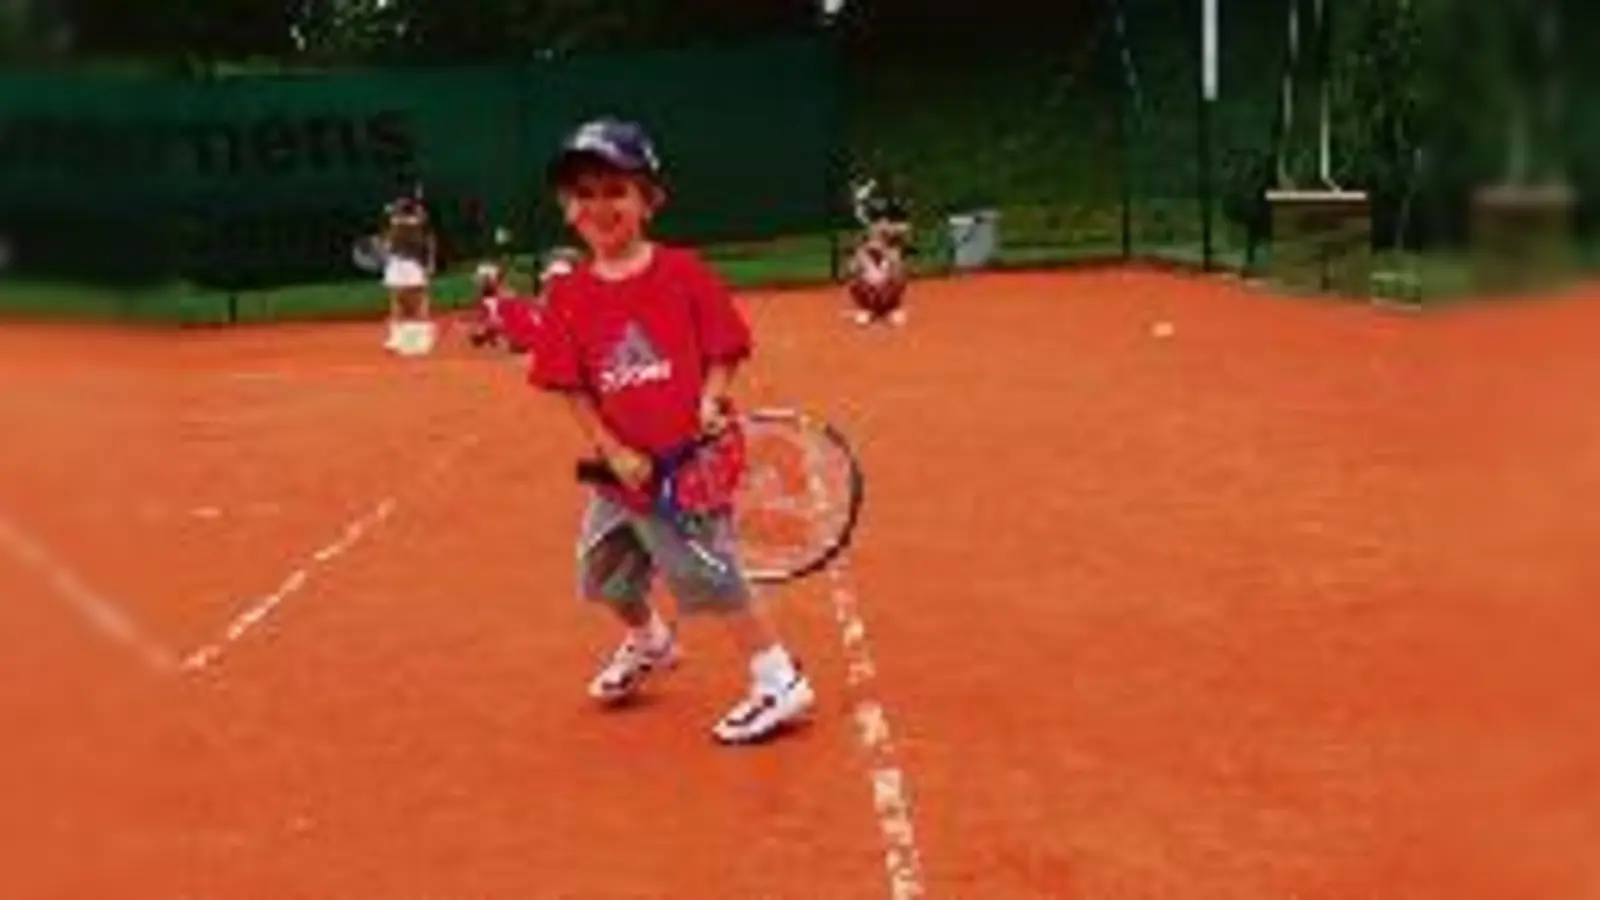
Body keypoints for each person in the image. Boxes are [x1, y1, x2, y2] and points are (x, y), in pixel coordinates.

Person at [527, 118, 814, 745]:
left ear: (648, 200)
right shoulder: (570, 296)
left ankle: (777, 678)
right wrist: (613, 449)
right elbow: (570, 386)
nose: (599, 206)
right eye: (583, 193)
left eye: (615, 190)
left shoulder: (683, 272)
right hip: (620, 475)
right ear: (566, 208)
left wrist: (711, 399)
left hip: (688, 470)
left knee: (709, 575)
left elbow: (725, 348)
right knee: (603, 577)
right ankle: (649, 641)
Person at [846, 175, 912, 326]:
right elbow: (852, 268)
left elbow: (905, 228)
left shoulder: (895, 218)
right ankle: (866, 309)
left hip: (888, 258)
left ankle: (893, 309)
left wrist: (887, 233)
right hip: (871, 260)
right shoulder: (865, 236)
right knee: (856, 266)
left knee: (896, 267)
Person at [380, 189, 438, 355]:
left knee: (419, 299)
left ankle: (424, 337)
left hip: (413, 264)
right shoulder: (403, 223)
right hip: (396, 264)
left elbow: (429, 240)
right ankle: (396, 338)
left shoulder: (409, 223)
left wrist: (430, 263)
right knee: (397, 300)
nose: (395, 211)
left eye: (398, 208)